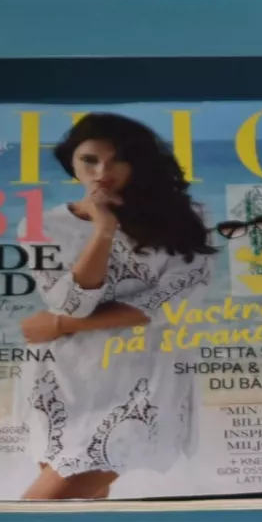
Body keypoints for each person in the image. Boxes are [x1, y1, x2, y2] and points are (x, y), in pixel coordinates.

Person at [19, 114, 216, 501]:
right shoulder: (40, 225)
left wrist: (58, 325)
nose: (102, 171)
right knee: (85, 504)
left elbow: (166, 305)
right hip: (61, 377)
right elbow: (72, 303)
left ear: (138, 164)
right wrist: (103, 229)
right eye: (89, 160)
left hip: (141, 378)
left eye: (118, 160)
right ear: (71, 163)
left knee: (43, 505)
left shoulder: (188, 220)